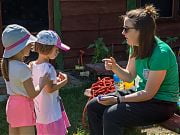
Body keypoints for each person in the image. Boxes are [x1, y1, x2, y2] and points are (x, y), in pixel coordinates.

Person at [87, 5, 179, 135]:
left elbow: (149, 93)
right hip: (143, 95)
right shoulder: (135, 46)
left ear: (141, 31)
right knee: (94, 106)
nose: (123, 33)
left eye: (126, 29)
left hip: (162, 104)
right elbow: (129, 76)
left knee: (112, 114)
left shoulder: (161, 53)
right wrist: (115, 67)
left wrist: (117, 100)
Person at [1, 24, 49, 135]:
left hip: (12, 105)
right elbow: (32, 94)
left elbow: (19, 76)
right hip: (23, 107)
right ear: (21, 47)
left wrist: (28, 68)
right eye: (29, 44)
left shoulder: (8, 65)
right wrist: (42, 83)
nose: (31, 46)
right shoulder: (22, 68)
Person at [29, 30, 71, 135]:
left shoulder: (32, 65)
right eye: (56, 50)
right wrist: (64, 81)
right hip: (52, 113)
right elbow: (50, 89)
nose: (58, 52)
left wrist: (56, 80)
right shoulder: (49, 68)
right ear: (47, 49)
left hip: (40, 112)